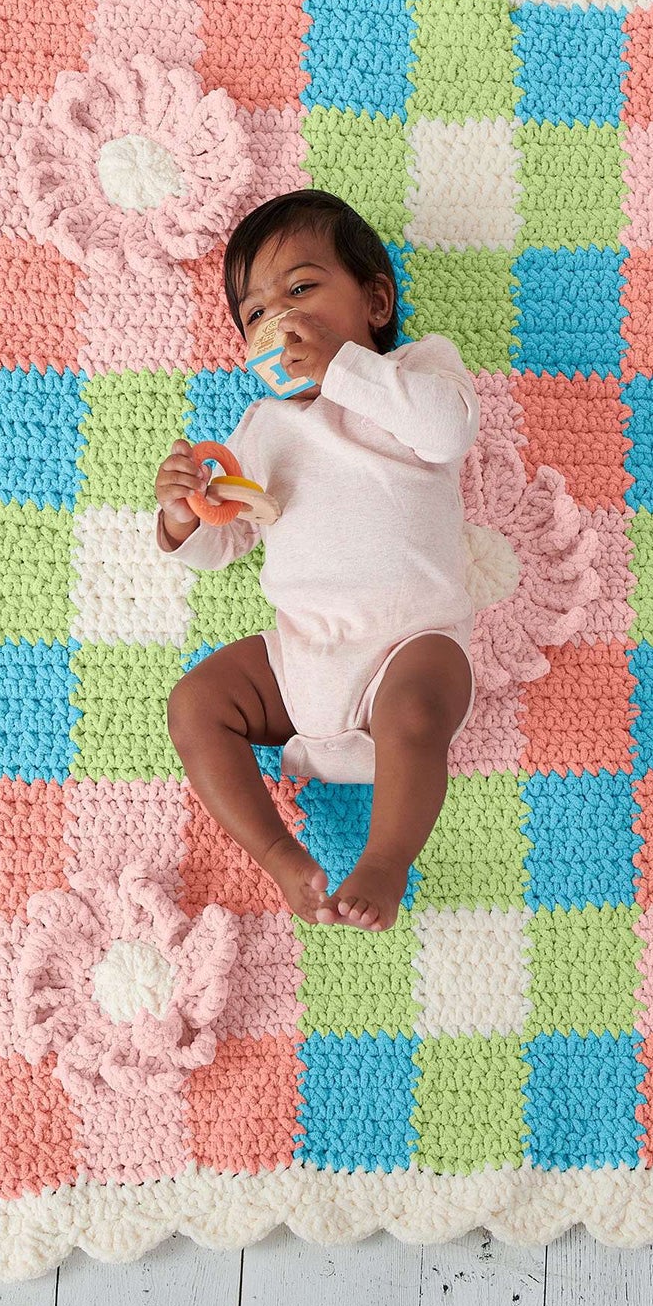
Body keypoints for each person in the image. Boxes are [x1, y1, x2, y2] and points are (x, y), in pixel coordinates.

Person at [154, 190, 479, 932]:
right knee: (195, 704)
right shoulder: (264, 427)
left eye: (301, 289)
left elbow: (448, 430)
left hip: (411, 645)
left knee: (416, 710)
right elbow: (230, 539)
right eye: (256, 314)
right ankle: (278, 855)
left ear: (375, 301)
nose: (281, 320)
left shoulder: (416, 372)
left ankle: (385, 861)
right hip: (301, 658)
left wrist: (342, 369)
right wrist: (184, 515)